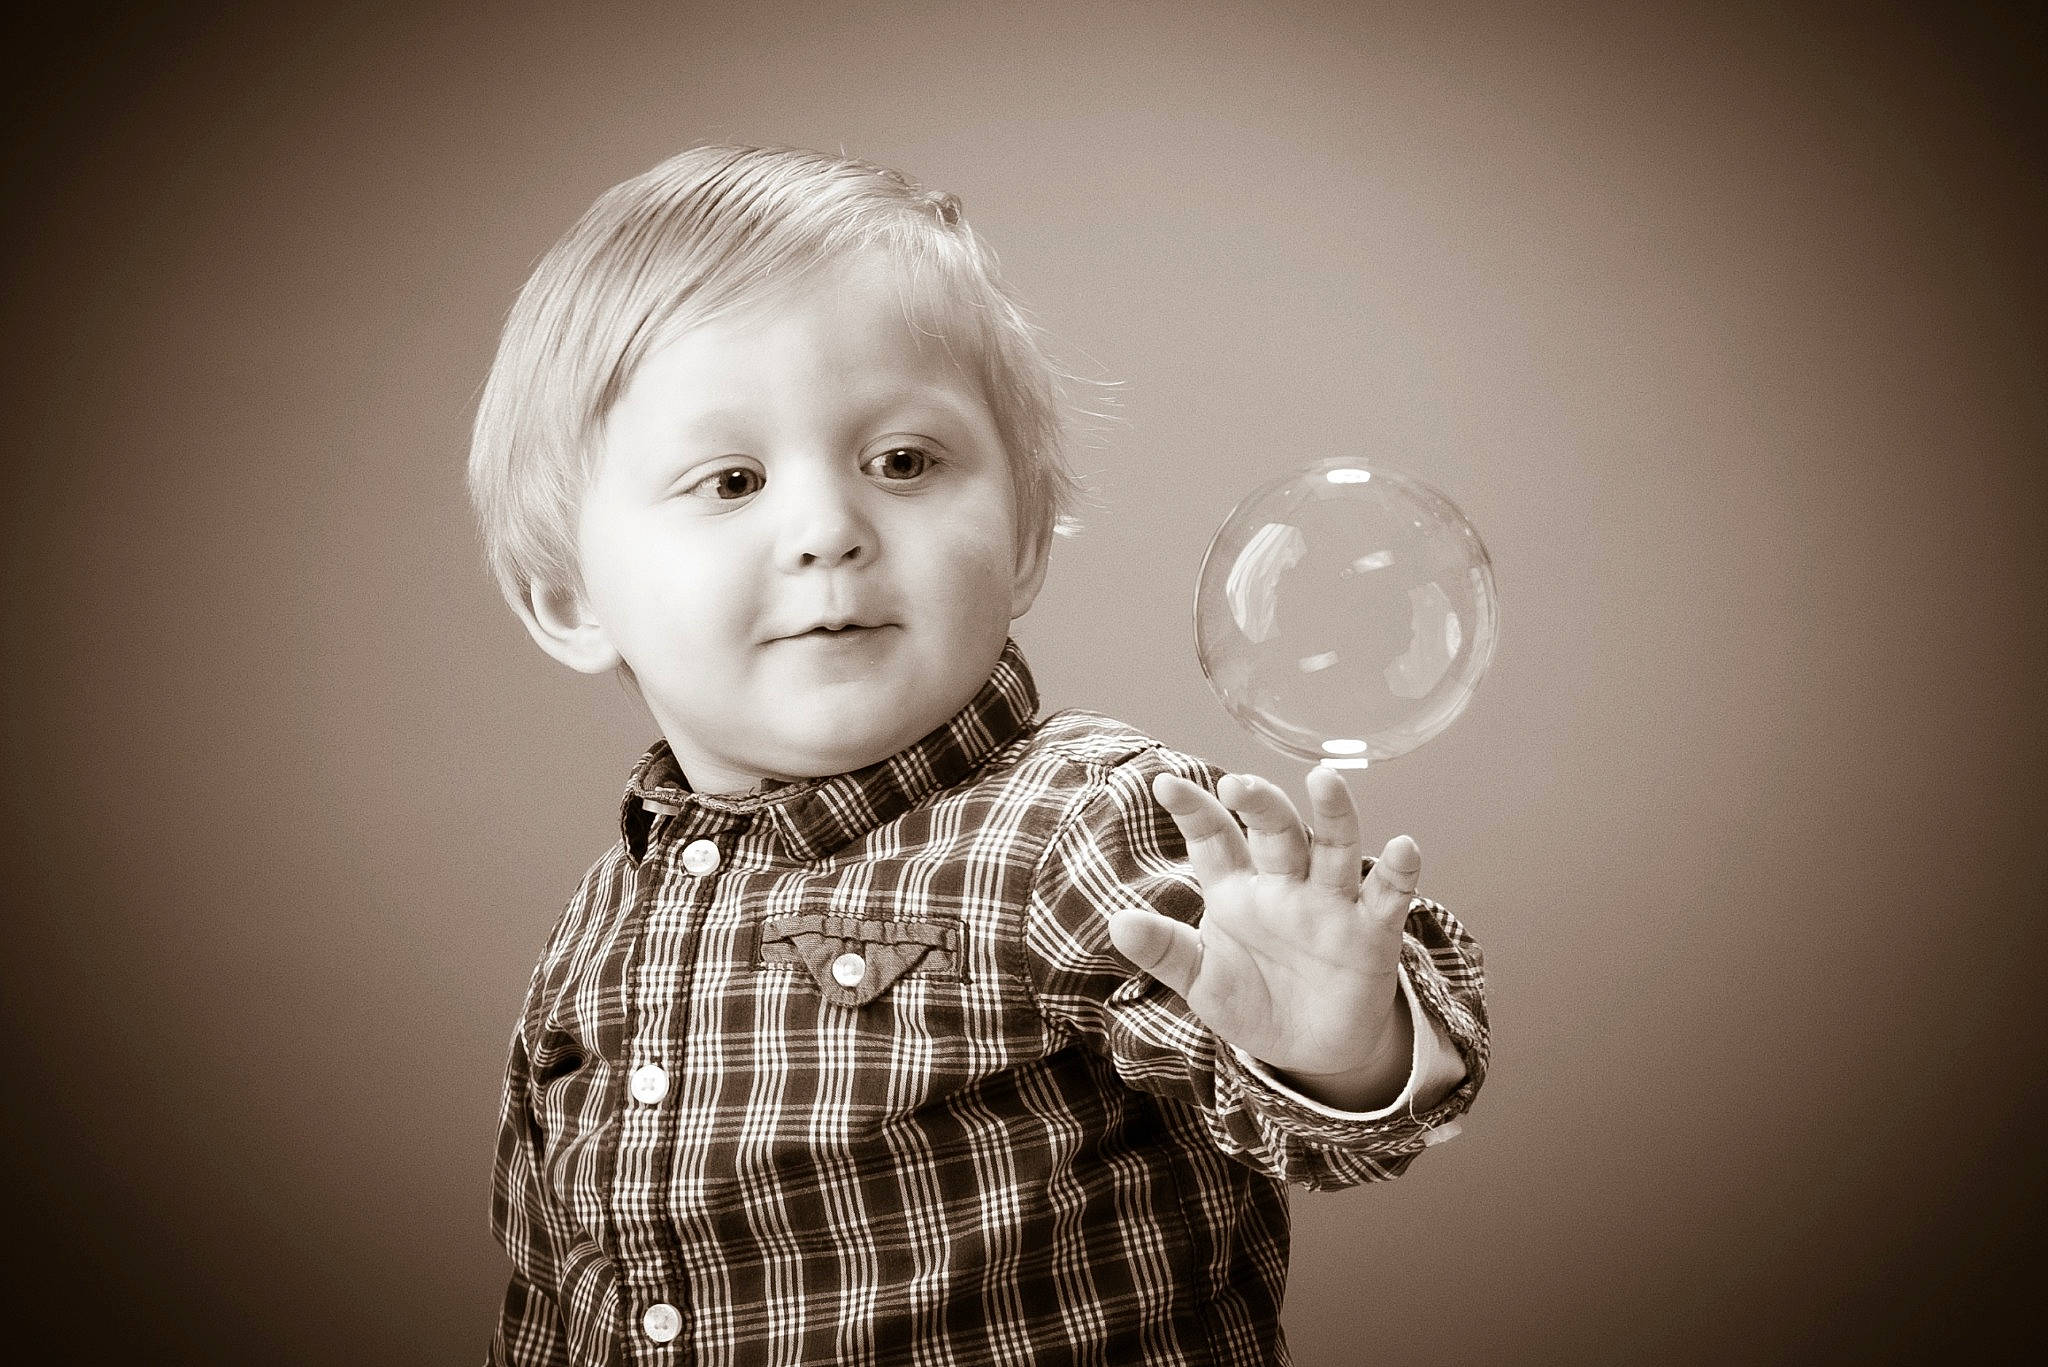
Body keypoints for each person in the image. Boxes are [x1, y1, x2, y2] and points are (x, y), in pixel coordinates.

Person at [468, 143, 1489, 1366]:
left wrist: (1337, 1035)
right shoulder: (602, 922)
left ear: (1019, 537)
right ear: (570, 599)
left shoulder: (1086, 822)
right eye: (729, 479)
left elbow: (1329, 1122)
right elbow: (555, 1283)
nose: (828, 530)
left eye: (902, 462)